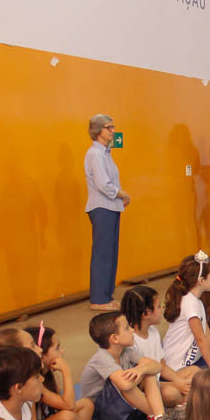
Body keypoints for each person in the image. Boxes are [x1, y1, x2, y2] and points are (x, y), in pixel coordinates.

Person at [80, 312, 170, 420]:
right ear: (114, 338)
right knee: (125, 383)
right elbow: (125, 385)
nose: (132, 330)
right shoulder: (102, 358)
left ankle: (160, 417)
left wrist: (141, 370)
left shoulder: (127, 350)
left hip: (123, 411)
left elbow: (158, 366)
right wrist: (141, 371)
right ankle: (158, 416)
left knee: (149, 373)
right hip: (103, 418)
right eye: (127, 328)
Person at [121, 285, 199, 406]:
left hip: (159, 380)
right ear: (146, 314)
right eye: (158, 306)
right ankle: (187, 400)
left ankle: (186, 399)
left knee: (196, 372)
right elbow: (142, 384)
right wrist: (175, 384)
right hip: (146, 388)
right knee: (171, 393)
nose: (162, 308)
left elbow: (162, 366)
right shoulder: (130, 340)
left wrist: (179, 381)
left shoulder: (153, 332)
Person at [84, 114, 131, 311]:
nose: (113, 131)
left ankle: (106, 295)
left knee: (111, 253)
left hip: (111, 207)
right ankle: (98, 298)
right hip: (102, 208)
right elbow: (103, 184)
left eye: (113, 127)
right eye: (108, 128)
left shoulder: (105, 153)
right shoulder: (95, 154)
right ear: (97, 130)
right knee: (102, 254)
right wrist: (122, 194)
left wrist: (119, 198)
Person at [162, 254, 210, 370]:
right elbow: (201, 340)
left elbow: (207, 334)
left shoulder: (197, 302)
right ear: (201, 280)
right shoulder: (190, 303)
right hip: (176, 365)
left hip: (192, 361)